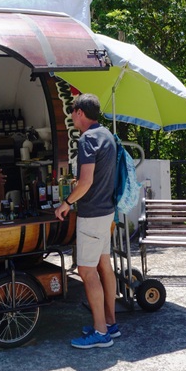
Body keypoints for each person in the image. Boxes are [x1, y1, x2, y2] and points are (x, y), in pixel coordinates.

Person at [55, 93, 119, 349]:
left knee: (86, 271)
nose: (72, 117)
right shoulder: (108, 135)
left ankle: (101, 332)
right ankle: (110, 323)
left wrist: (66, 203)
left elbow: (86, 182)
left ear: (80, 112)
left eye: (72, 112)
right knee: (105, 265)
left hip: (91, 214)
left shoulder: (88, 139)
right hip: (107, 212)